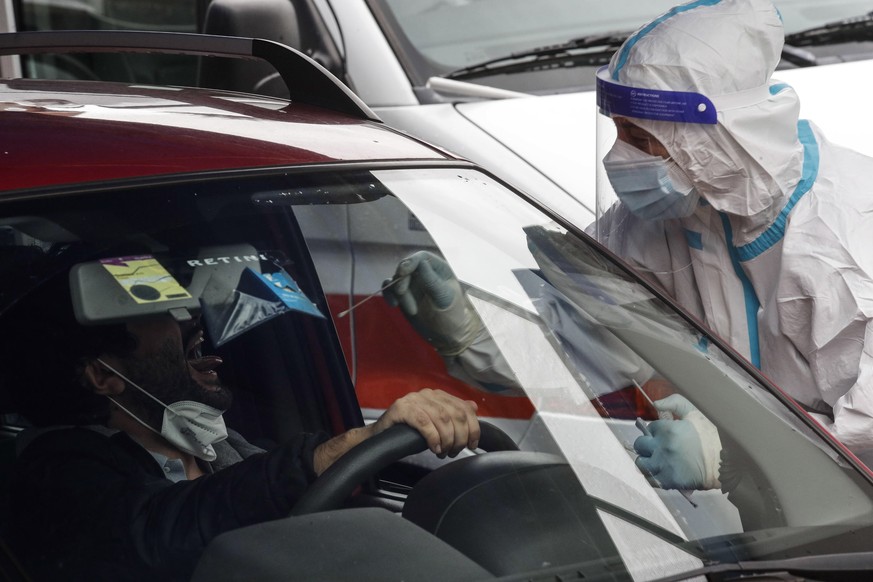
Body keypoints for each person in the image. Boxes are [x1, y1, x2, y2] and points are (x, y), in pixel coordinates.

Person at [385, 0, 873, 491]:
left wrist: (731, 457)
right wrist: (476, 332)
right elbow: (587, 338)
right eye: (617, 129)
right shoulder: (673, 215)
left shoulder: (845, 233)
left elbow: (866, 429)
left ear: (714, 134)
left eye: (639, 135)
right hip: (777, 521)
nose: (620, 155)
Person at [3, 271, 480, 581]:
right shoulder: (56, 473)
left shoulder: (215, 440)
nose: (190, 317)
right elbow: (159, 534)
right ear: (105, 376)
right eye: (157, 311)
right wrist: (349, 446)